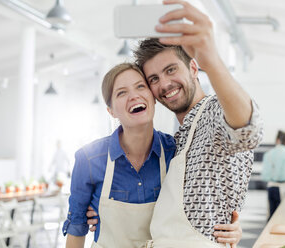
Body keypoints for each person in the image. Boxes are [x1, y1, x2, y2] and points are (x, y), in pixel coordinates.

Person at [87, 0, 263, 247]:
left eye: (171, 70)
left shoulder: (214, 113)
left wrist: (211, 60)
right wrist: (104, 212)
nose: (165, 84)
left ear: (193, 68)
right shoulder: (173, 142)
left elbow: (247, 131)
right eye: (154, 79)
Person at [63, 63, 242, 248]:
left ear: (153, 97)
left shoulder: (176, 152)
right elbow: (76, 230)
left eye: (140, 86)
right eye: (121, 92)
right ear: (111, 111)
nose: (134, 95)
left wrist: (233, 229)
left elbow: (200, 209)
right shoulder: (90, 159)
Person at [261, 132, 285, 220]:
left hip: (271, 186)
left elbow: (265, 174)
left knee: (271, 215)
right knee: (282, 216)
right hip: (282, 188)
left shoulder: (268, 153)